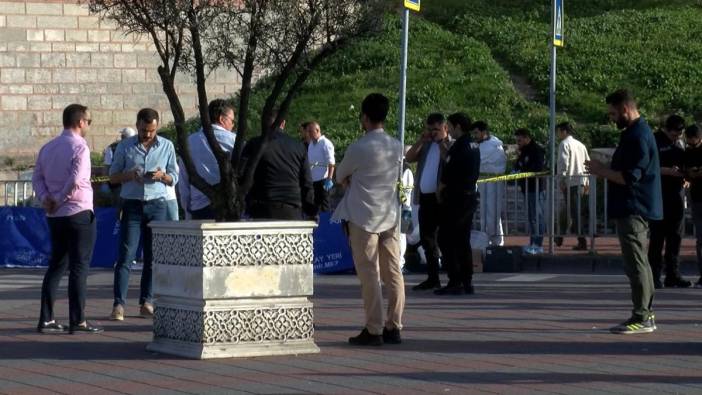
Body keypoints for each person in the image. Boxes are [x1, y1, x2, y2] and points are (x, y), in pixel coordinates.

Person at [586, 89, 661, 334]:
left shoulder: (638, 136)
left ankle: (642, 315)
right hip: (633, 206)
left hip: (633, 207)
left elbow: (630, 177)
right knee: (639, 263)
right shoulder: (634, 133)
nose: (611, 119)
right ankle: (644, 313)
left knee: (636, 263)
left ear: (625, 110)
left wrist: (600, 170)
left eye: (613, 114)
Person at [332, 93, 404, 346]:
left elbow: (340, 175)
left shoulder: (359, 147)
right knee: (393, 271)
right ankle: (394, 326)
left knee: (369, 273)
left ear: (364, 117)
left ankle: (373, 329)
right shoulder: (395, 145)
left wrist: (351, 179)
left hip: (363, 216)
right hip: (390, 215)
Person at [33, 104, 103, 334]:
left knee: (56, 266)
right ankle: (78, 320)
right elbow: (76, 179)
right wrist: (60, 199)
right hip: (78, 211)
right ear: (81, 122)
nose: (89, 126)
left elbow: (37, 178)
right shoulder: (80, 147)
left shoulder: (48, 147)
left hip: (55, 215)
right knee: (79, 267)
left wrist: (47, 199)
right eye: (89, 122)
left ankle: (46, 319)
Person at [108, 108, 179, 321]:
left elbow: (174, 176)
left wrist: (162, 176)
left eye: (152, 130)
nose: (147, 134)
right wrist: (129, 175)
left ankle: (146, 302)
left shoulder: (166, 145)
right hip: (132, 204)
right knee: (126, 256)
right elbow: (112, 177)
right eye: (144, 130)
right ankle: (118, 305)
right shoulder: (125, 146)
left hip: (158, 204)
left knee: (152, 257)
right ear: (137, 125)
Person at [405, 113, 453, 291]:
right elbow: (409, 158)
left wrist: (441, 142)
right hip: (425, 198)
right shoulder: (426, 145)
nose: (433, 133)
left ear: (445, 128)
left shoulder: (450, 144)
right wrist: (420, 141)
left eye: (436, 129)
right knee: (427, 238)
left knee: (445, 238)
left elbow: (450, 161)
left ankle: (452, 277)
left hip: (442, 198)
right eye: (430, 129)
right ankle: (432, 277)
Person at [239, 112, 316, 220]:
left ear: (263, 123)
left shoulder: (254, 144)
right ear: (283, 123)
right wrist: (311, 210)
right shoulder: (298, 146)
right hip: (292, 208)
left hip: (262, 207)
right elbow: (306, 182)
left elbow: (242, 176)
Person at [435, 112, 480, 295]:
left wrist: (440, 190)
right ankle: (467, 281)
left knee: (446, 239)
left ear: (458, 126)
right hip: (468, 197)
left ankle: (455, 280)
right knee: (463, 240)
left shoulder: (460, 146)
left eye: (451, 126)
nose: (449, 130)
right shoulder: (473, 144)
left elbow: (449, 171)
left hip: (456, 199)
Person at [648, 115, 691, 288]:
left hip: (677, 195)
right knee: (657, 238)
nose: (677, 138)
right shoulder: (654, 141)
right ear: (667, 129)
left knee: (675, 237)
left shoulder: (679, 143)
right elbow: (647, 167)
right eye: (675, 134)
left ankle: (673, 274)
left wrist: (687, 175)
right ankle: (654, 276)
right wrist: (667, 171)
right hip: (660, 196)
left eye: (680, 135)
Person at [178, 99, 237, 220]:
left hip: (198, 207)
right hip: (229, 205)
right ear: (222, 119)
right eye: (232, 121)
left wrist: (187, 209)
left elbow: (183, 180)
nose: (233, 125)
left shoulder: (189, 142)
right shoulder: (234, 141)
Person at [555, 122, 590, 251]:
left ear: (563, 131)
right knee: (572, 211)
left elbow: (563, 163)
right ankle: (560, 236)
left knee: (574, 213)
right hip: (581, 181)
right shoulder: (581, 145)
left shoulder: (564, 144)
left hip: (571, 182)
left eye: (558, 131)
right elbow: (587, 163)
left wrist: (561, 180)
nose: (557, 134)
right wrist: (587, 182)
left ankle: (581, 241)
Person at [471, 121, 506, 246]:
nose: (474, 135)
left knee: (493, 212)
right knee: (486, 212)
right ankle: (489, 239)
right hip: (483, 183)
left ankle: (496, 240)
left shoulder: (494, 146)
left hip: (494, 183)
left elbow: (497, 165)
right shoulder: (480, 145)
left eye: (476, 133)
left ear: (484, 132)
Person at [513, 128, 547, 254]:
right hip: (527, 188)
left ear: (527, 138)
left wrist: (523, 171)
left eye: (520, 140)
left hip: (536, 188)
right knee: (532, 217)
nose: (518, 142)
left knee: (537, 217)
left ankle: (538, 245)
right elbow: (518, 165)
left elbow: (537, 168)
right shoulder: (523, 151)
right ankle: (533, 243)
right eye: (517, 140)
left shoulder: (536, 150)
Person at [683, 124, 702, 288]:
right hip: (697, 197)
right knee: (700, 238)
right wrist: (690, 173)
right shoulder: (688, 152)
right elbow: (686, 170)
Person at [104, 127, 137, 209]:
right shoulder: (136, 147)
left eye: (122, 136)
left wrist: (105, 183)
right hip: (123, 184)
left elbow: (107, 167)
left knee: (119, 208)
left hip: (122, 183)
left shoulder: (112, 147)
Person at [306, 121, 336, 212]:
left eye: (311, 131)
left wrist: (329, 179)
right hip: (313, 180)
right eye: (308, 132)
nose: (309, 134)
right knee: (315, 206)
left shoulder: (325, 143)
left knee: (325, 206)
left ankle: (326, 225)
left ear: (317, 130)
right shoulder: (311, 145)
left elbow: (331, 162)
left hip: (323, 180)